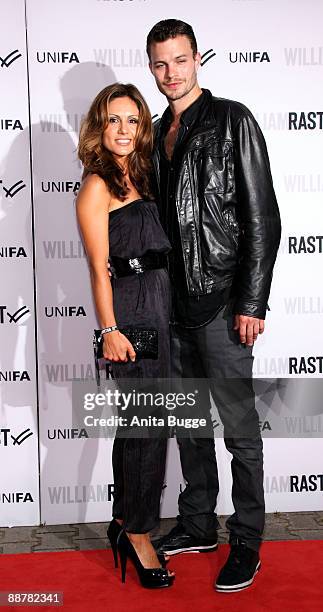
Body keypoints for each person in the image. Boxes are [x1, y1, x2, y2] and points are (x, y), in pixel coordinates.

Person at [146, 19, 281, 593]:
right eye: (160, 63)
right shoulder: (154, 132)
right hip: (170, 306)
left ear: (198, 58)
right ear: (151, 67)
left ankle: (246, 537)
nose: (170, 73)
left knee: (240, 431)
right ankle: (199, 522)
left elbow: (262, 218)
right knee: (189, 425)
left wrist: (252, 301)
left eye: (179, 60)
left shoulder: (233, 120)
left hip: (225, 304)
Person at [76, 83, 174, 589]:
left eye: (132, 120)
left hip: (162, 307)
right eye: (113, 119)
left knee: (147, 423)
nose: (122, 130)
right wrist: (109, 330)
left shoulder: (143, 177)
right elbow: (98, 269)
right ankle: (137, 532)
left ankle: (125, 521)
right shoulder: (96, 185)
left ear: (142, 128)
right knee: (145, 422)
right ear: (100, 124)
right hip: (130, 314)